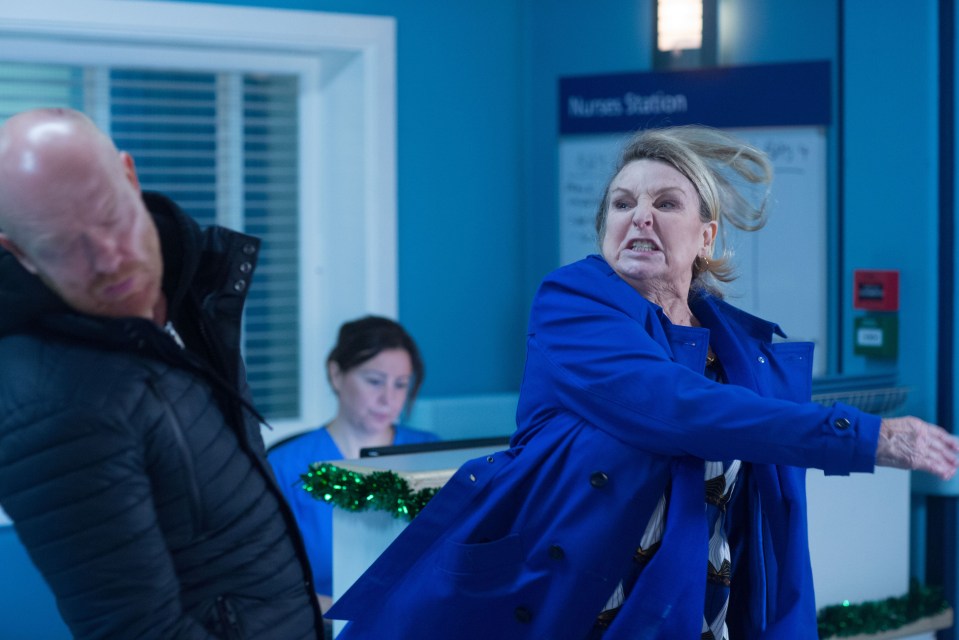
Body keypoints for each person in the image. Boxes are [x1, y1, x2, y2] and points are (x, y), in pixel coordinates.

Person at [326, 125, 959, 639]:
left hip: (695, 617)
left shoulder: (745, 351)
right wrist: (863, 437)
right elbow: (678, 407)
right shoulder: (573, 304)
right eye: (623, 204)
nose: (640, 217)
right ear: (604, 231)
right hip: (564, 610)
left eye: (666, 203)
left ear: (706, 236)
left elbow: (772, 528)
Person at [0, 108, 325, 639]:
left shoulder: (186, 288)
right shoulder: (46, 403)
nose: (109, 260)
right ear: (19, 254)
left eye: (108, 215)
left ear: (129, 176)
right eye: (62, 243)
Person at [268, 315, 438, 616]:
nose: (388, 399)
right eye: (374, 381)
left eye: (400, 385)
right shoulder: (285, 466)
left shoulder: (432, 455)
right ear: (336, 375)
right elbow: (268, 578)